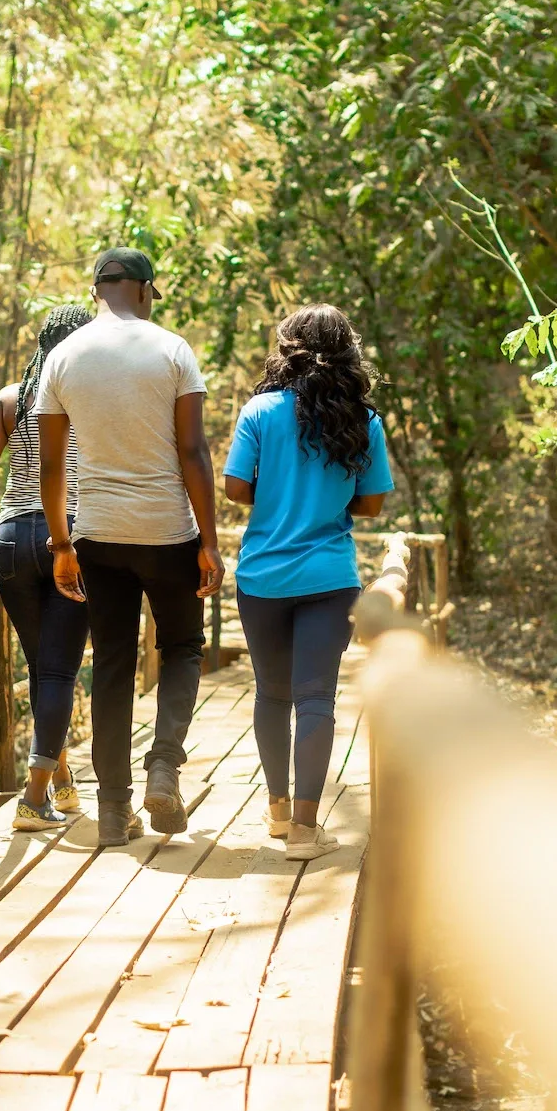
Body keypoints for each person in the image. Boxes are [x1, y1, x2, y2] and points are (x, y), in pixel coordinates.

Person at [36, 248, 224, 846]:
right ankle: (164, 767)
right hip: (168, 531)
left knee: (113, 662)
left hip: (99, 535)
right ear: (144, 291)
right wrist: (209, 544)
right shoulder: (172, 350)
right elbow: (193, 452)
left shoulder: (62, 357)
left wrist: (61, 544)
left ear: (98, 291)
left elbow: (50, 467)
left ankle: (114, 812)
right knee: (183, 648)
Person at [222, 305, 393, 860]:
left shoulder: (260, 411)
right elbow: (371, 504)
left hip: (263, 576)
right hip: (328, 575)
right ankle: (303, 830)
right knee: (315, 697)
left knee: (271, 694)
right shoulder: (363, 421)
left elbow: (233, 488)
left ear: (286, 348)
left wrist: (275, 491)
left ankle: (275, 812)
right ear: (348, 351)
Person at [0, 305, 95, 832]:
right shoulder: (89, 396)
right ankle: (33, 798)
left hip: (11, 539)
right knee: (57, 671)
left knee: (43, 667)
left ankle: (59, 779)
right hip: (68, 539)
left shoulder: (10, 398)